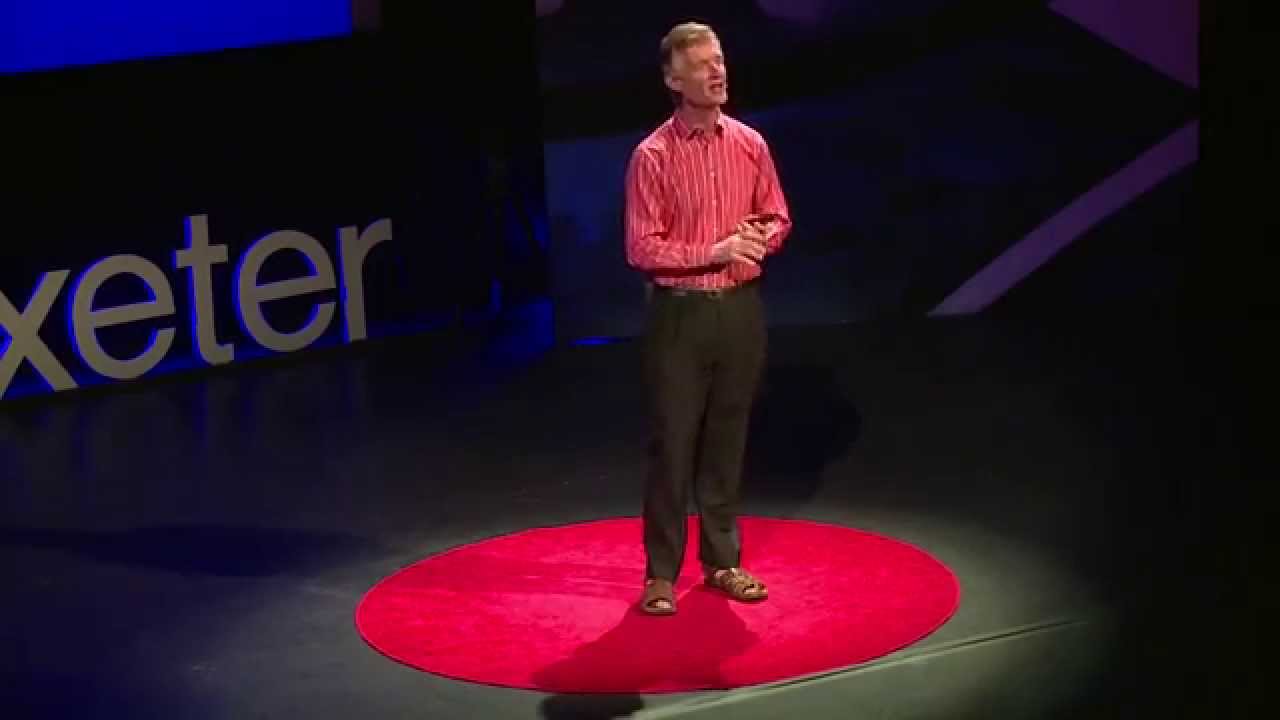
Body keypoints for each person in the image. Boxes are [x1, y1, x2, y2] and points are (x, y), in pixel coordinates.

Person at [623, 21, 792, 615]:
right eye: (701, 66)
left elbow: (778, 216)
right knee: (673, 444)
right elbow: (642, 247)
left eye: (719, 61)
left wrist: (757, 238)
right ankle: (660, 575)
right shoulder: (652, 156)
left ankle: (723, 562)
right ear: (674, 79)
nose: (717, 73)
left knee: (727, 439)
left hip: (741, 313)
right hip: (680, 318)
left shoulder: (751, 144)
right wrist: (712, 251)